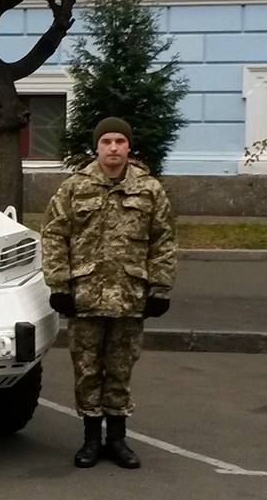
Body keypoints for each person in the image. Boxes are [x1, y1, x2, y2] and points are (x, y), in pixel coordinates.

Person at [41, 117, 176, 469]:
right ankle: (90, 440)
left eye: (119, 141)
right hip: (84, 296)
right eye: (106, 141)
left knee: (120, 370)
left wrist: (160, 288)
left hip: (130, 296)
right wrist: (59, 284)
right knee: (86, 370)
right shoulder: (74, 188)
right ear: (96, 147)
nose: (113, 148)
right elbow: (54, 235)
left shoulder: (149, 189)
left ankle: (117, 439)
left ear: (129, 147)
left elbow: (163, 240)